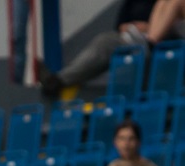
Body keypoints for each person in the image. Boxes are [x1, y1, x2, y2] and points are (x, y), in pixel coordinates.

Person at [37, 0, 184, 96]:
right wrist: (128, 27)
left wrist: (149, 29)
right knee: (105, 41)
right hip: (132, 39)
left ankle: (149, 44)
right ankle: (59, 80)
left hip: (166, 43)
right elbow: (119, 24)